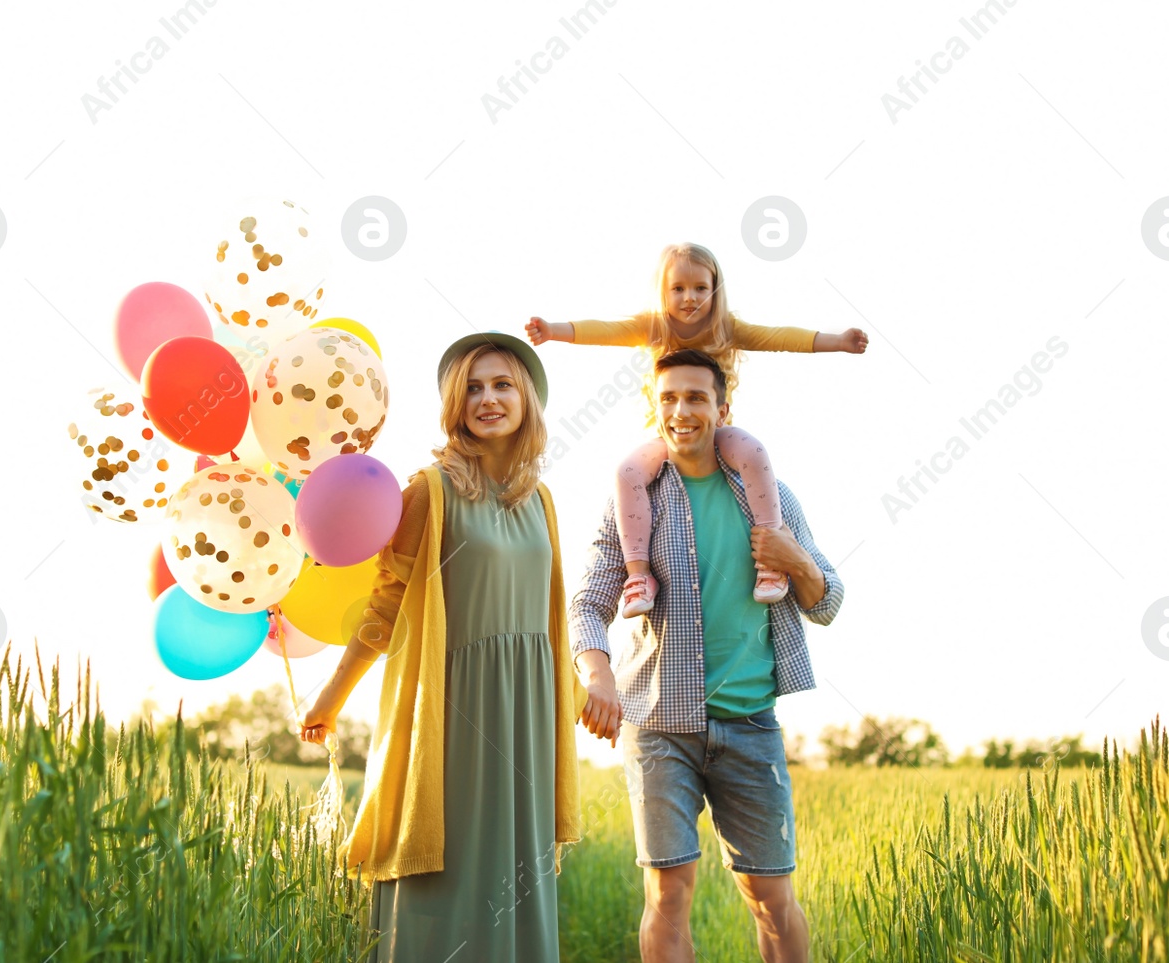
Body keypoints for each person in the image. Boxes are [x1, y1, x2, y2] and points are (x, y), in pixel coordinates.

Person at [299, 331, 587, 962]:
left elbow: (551, 616)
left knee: (517, 873)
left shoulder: (542, 501)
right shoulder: (429, 491)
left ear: (528, 398)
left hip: (529, 712)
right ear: (455, 407)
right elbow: (385, 606)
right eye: (472, 389)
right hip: (456, 710)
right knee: (449, 868)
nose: (488, 399)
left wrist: (579, 688)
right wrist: (331, 695)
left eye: (502, 384)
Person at [568, 348, 844, 963]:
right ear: (653, 407)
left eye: (695, 397)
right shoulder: (633, 500)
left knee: (770, 895)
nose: (681, 410)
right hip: (660, 727)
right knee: (667, 892)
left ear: (723, 408)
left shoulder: (767, 494)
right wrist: (599, 675)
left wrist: (792, 557)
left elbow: (828, 601)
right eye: (668, 398)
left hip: (751, 724)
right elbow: (587, 604)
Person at [526, 241, 865, 616]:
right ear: (664, 291)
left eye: (701, 288)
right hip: (670, 436)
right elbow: (606, 329)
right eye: (678, 288)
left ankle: (770, 561)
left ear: (715, 291)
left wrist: (838, 342)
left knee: (752, 452)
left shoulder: (727, 329)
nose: (690, 298)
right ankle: (639, 575)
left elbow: (779, 337)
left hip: (717, 435)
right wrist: (553, 330)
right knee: (628, 471)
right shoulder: (653, 326)